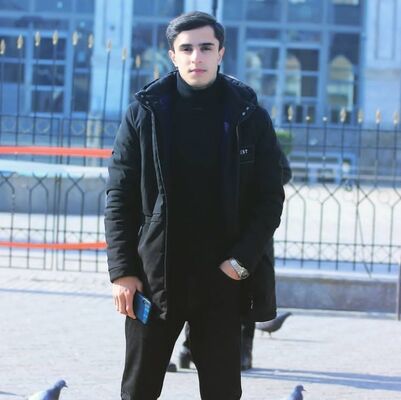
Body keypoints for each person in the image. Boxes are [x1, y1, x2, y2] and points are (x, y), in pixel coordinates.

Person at [105, 11, 285, 400]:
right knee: (138, 390)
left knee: (222, 391)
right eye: (186, 49)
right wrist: (123, 272)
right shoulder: (144, 113)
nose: (196, 57)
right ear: (172, 55)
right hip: (155, 277)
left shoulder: (248, 115)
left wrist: (240, 262)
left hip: (222, 279)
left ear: (221, 52)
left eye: (206, 48)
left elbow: (270, 198)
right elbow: (119, 196)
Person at [176, 153, 292, 372]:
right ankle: (189, 348)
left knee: (247, 291)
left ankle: (243, 351)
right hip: (211, 227)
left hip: (250, 232)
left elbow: (283, 172)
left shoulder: (258, 132)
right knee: (199, 293)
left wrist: (247, 183)